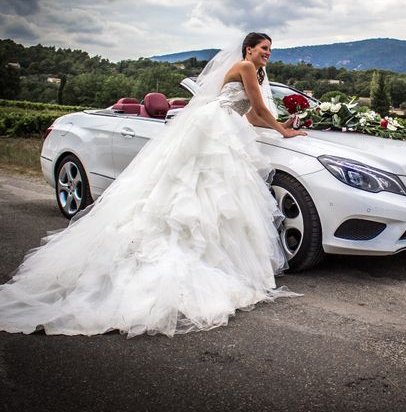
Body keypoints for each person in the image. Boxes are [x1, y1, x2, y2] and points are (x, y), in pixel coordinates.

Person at [0, 32, 306, 337]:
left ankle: (214, 256)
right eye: (264, 48)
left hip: (227, 126)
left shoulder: (257, 70)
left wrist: (285, 124)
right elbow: (261, 109)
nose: (268, 52)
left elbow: (252, 116)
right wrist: (283, 132)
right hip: (215, 127)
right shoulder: (247, 67)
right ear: (249, 49)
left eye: (270, 49)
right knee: (201, 188)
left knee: (210, 191)